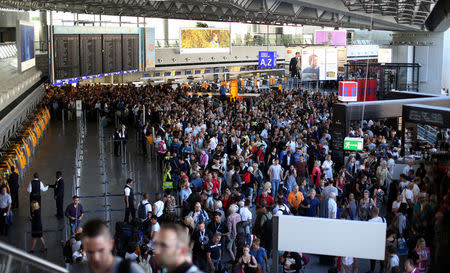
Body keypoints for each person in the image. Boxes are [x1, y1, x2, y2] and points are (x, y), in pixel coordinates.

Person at [70, 219, 145, 273]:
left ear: (110, 244)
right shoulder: (77, 270)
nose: (96, 257)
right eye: (90, 251)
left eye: (100, 250)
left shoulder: (130, 270)